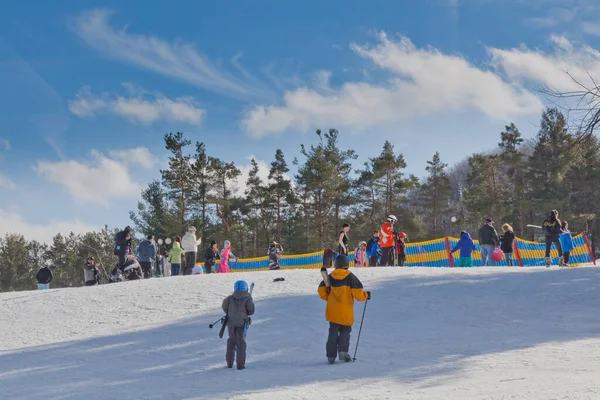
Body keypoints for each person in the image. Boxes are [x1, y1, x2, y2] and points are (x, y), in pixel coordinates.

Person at [318, 254, 369, 364]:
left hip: (333, 312)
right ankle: (343, 352)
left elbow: (321, 292)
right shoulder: (350, 277)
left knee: (332, 333)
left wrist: (328, 296)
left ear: (336, 264)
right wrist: (365, 295)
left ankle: (331, 356)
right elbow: (358, 294)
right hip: (346, 312)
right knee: (345, 332)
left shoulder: (330, 277)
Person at [222, 280, 255, 370]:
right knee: (241, 343)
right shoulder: (248, 298)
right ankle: (240, 364)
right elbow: (251, 311)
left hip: (231, 323)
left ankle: (229, 362)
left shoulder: (229, 298)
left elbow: (225, 307)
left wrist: (230, 313)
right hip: (242, 323)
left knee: (231, 341)